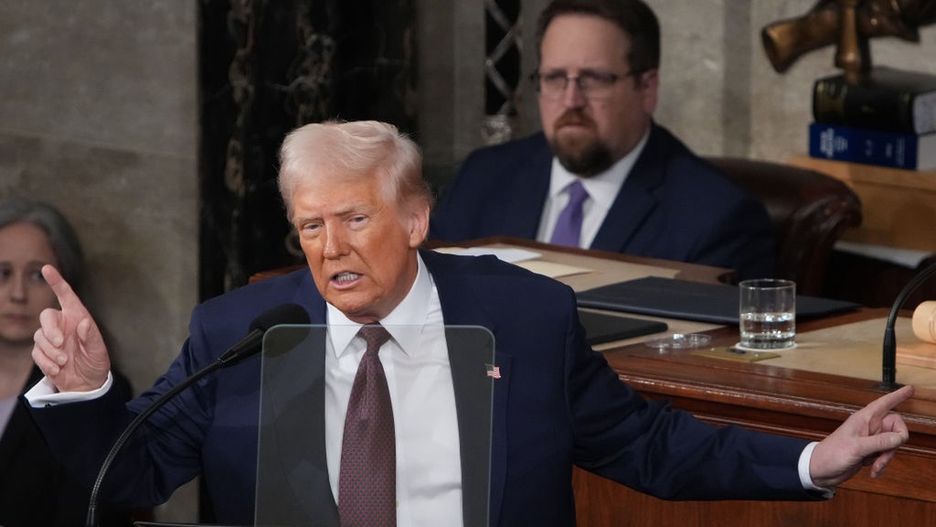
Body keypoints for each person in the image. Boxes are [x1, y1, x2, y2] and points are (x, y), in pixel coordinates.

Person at [26, 121, 911, 527]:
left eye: (355, 219)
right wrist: (88, 391)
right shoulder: (242, 329)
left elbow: (650, 446)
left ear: (414, 220)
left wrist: (808, 459)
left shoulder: (522, 318)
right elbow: (131, 478)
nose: (330, 247)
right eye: (310, 225)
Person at [430, 0, 775, 281]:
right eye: (553, 78)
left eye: (593, 80)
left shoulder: (715, 217)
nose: (570, 101)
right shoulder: (484, 177)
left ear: (647, 88)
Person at [0, 197, 134, 527]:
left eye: (36, 276)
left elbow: (99, 511)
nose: (17, 293)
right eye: (2, 273)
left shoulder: (92, 391)